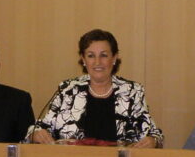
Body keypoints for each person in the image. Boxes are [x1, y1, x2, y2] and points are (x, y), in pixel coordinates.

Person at [29, 29, 162, 147]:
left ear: (114, 58)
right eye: (91, 56)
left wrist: (153, 140)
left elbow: (153, 134)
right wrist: (36, 134)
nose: (97, 62)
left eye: (104, 55)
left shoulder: (132, 91)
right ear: (83, 59)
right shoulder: (68, 89)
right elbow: (38, 128)